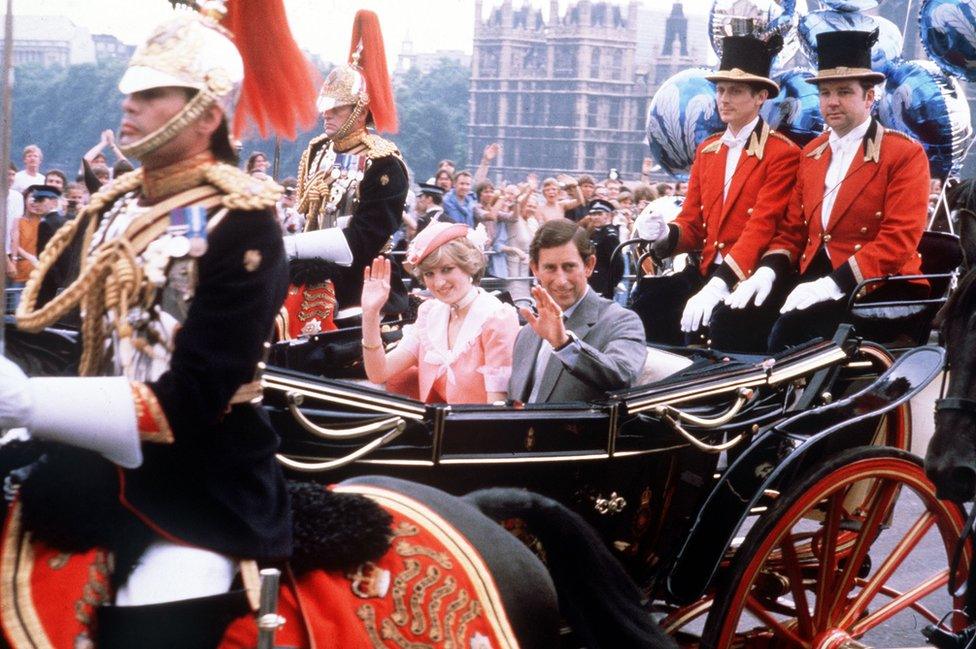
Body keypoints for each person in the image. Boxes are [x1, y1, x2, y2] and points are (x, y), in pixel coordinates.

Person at [0, 2, 317, 643]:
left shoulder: (244, 221)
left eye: (151, 93)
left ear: (207, 112)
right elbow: (67, 334)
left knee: (156, 611)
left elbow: (192, 400)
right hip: (87, 458)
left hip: (199, 482)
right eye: (130, 90)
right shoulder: (113, 207)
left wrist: (30, 402)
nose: (129, 104)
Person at [727, 30, 930, 353]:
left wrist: (833, 284)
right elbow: (792, 230)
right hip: (815, 276)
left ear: (869, 97)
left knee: (791, 332)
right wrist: (766, 271)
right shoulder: (812, 153)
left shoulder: (904, 154)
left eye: (844, 92)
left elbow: (898, 239)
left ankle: (793, 404)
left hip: (880, 286)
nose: (832, 102)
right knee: (733, 317)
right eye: (825, 92)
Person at [634, 35, 800, 350]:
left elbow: (761, 226)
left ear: (760, 96)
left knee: (724, 323)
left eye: (735, 91)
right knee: (649, 303)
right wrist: (663, 236)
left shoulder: (782, 153)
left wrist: (720, 284)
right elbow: (693, 224)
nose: (724, 99)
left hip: (754, 276)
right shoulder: (707, 151)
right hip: (708, 270)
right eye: (721, 90)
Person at [284, 10, 408, 326]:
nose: (327, 115)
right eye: (326, 107)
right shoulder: (316, 151)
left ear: (359, 109)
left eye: (337, 108)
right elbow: (304, 214)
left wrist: (295, 248)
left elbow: (364, 238)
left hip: (359, 285)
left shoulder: (384, 163)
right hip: (306, 277)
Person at [360, 221, 519, 404]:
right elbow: (379, 372)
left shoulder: (496, 318)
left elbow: (497, 411)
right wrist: (370, 314)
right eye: (429, 274)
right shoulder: (429, 313)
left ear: (469, 265)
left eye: (447, 269)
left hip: (482, 429)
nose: (438, 283)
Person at [508, 219, 647, 403]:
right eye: (550, 268)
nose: (561, 280)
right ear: (535, 269)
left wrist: (565, 345)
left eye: (569, 267)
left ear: (589, 265)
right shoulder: (527, 333)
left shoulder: (621, 321)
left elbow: (622, 376)